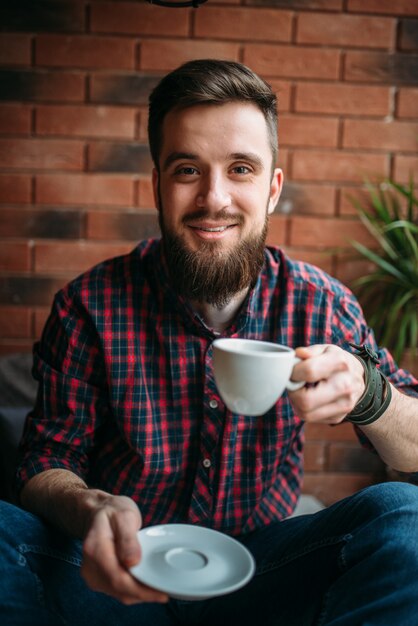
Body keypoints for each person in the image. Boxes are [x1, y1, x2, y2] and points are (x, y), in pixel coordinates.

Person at [0, 59, 417, 626]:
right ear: (157, 185)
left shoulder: (322, 305)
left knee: (404, 515)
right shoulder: (89, 305)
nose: (214, 198)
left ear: (272, 189)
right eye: (187, 170)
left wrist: (371, 395)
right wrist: (87, 506)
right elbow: (47, 460)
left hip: (263, 576)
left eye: (240, 168)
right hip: (118, 578)